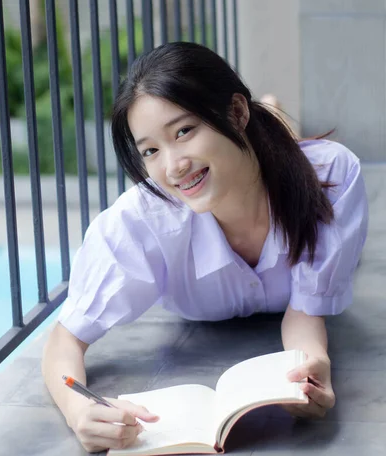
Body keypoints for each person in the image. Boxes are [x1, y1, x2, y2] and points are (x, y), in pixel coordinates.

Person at [42, 42, 368, 453]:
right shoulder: (140, 223)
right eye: (151, 151)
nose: (173, 165)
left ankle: (271, 114)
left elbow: (305, 314)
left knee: (280, 149)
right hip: (224, 170)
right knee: (242, 156)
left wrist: (312, 367)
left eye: (184, 131)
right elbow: (64, 340)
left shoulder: (330, 177)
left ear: (235, 111)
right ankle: (268, 113)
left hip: (277, 162)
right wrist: (78, 411)